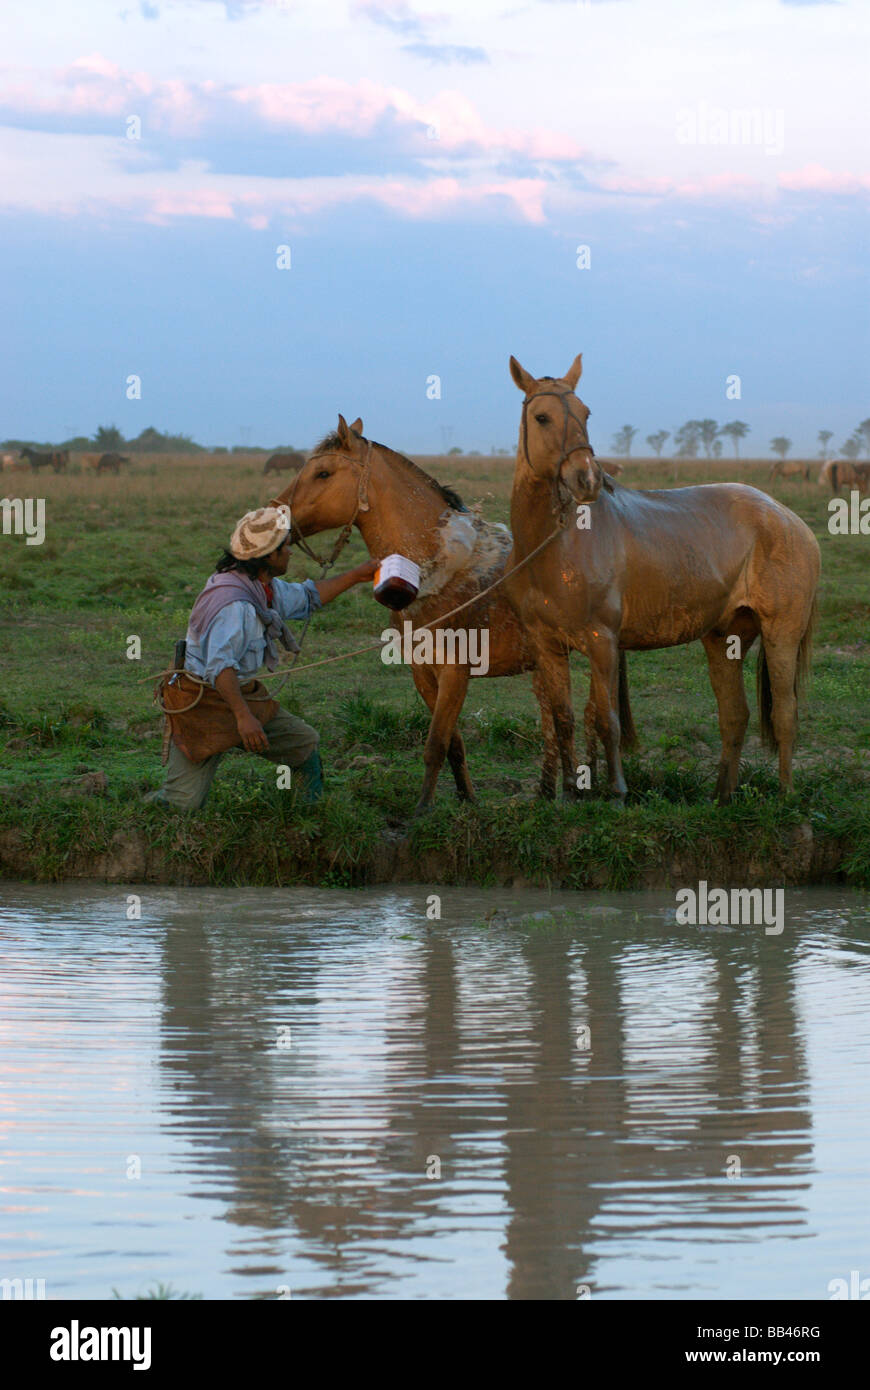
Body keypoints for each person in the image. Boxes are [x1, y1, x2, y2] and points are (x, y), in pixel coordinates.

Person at [147, 504, 377, 810]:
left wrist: (359, 575)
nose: (290, 553)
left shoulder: (260, 586)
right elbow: (220, 668)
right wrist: (244, 719)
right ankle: (144, 811)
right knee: (182, 804)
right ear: (268, 556)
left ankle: (308, 816)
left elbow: (309, 597)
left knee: (303, 744)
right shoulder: (235, 604)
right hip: (203, 703)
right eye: (285, 547)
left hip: (240, 695)